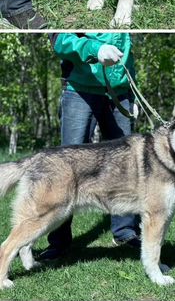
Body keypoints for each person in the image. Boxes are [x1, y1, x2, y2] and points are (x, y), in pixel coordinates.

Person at [39, 32, 140, 261]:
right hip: (80, 90)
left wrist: (133, 94)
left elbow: (127, 50)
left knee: (126, 167)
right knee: (66, 171)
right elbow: (58, 40)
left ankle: (125, 231)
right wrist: (94, 49)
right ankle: (59, 242)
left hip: (120, 93)